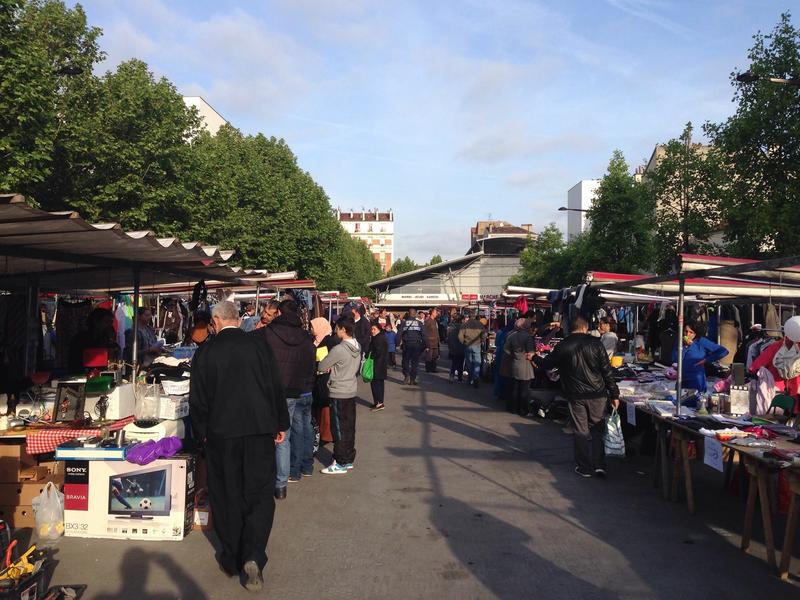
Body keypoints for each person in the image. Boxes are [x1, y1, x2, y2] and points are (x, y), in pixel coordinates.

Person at [189, 301, 288, 592]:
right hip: (259, 431)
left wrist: (202, 434)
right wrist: (280, 423)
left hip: (222, 435)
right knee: (258, 494)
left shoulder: (206, 352)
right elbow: (274, 385)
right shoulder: (259, 346)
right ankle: (254, 553)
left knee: (227, 494)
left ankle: (232, 556)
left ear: (217, 320)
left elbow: (198, 400)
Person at [539, 317, 620, 478]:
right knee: (597, 430)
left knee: (580, 431)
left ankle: (584, 467)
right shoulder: (596, 343)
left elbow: (547, 364)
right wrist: (614, 393)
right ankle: (599, 465)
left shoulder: (564, 345)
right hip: (598, 394)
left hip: (575, 395)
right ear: (585, 328)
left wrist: (534, 357)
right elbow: (606, 371)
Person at [256, 300, 316, 498]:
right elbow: (310, 363)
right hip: (293, 391)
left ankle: (267, 479)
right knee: (284, 435)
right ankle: (281, 484)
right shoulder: (305, 337)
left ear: (279, 312)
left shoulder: (268, 333)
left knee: (265, 435)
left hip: (269, 390)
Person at [318, 316, 361, 474]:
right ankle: (348, 459)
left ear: (343, 329)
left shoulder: (339, 349)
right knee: (349, 427)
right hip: (351, 389)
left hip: (339, 391)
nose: (335, 330)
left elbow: (323, 365)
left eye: (337, 327)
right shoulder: (358, 346)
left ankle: (340, 462)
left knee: (339, 429)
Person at [674, 320, 729, 394]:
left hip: (696, 380)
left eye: (691, 332)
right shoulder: (679, 342)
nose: (687, 334)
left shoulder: (701, 341)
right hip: (681, 379)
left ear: (695, 333)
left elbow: (723, 351)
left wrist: (707, 360)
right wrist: (684, 346)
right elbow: (674, 357)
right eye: (685, 331)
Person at [68, 307, 120, 373]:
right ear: (96, 322)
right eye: (107, 322)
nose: (110, 325)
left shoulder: (105, 337)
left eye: (111, 322)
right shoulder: (82, 338)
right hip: (81, 374)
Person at [505, 318, 536, 416]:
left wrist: (514, 355)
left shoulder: (511, 336)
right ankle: (522, 409)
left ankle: (512, 408)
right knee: (524, 389)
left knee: (514, 387)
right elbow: (531, 352)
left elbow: (506, 350)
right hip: (525, 365)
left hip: (514, 363)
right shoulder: (528, 337)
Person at [459, 310, 486, 388]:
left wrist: (463, 342)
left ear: (469, 317)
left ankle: (470, 378)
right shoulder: (480, 324)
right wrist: (482, 341)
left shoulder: (464, 325)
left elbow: (460, 336)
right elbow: (484, 335)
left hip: (467, 345)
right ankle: (476, 377)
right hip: (477, 345)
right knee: (477, 362)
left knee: (469, 363)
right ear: (475, 316)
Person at [398, 308, 425, 385]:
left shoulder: (404, 323)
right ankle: (412, 379)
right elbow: (424, 335)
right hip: (416, 345)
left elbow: (399, 334)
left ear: (409, 313)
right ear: (415, 314)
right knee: (415, 363)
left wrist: (397, 343)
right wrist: (425, 345)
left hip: (407, 345)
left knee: (405, 361)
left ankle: (406, 376)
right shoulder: (419, 323)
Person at [367, 321, 388, 410]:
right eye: (371, 329)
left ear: (378, 329)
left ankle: (379, 403)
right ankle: (378, 402)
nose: (372, 331)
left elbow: (377, 352)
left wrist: (369, 355)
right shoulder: (380, 337)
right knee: (379, 384)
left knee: (376, 384)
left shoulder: (377, 339)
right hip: (381, 365)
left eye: (374, 329)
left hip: (377, 365)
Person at [447, 316, 466, 383]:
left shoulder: (451, 328)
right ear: (462, 320)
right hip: (461, 348)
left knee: (454, 363)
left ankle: (451, 376)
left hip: (453, 348)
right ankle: (460, 378)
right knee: (460, 363)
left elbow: (448, 338)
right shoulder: (464, 328)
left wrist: (450, 347)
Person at [423, 307, 441, 373]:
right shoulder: (428, 321)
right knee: (429, 356)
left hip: (435, 342)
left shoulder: (435, 321)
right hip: (429, 342)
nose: (437, 313)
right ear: (432, 313)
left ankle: (433, 368)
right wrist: (426, 344)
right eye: (436, 312)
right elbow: (424, 332)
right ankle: (428, 369)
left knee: (435, 356)